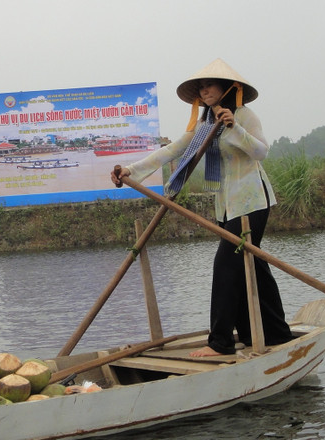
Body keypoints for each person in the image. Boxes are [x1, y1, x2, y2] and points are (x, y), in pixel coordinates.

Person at [110, 58, 293, 356]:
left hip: (252, 203)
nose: (204, 90)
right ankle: (273, 334)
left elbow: (261, 151)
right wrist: (131, 170)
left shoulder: (245, 115)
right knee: (254, 267)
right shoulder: (206, 123)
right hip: (226, 205)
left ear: (228, 88)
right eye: (201, 87)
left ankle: (220, 342)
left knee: (227, 265)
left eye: (209, 85)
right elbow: (174, 149)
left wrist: (235, 128)